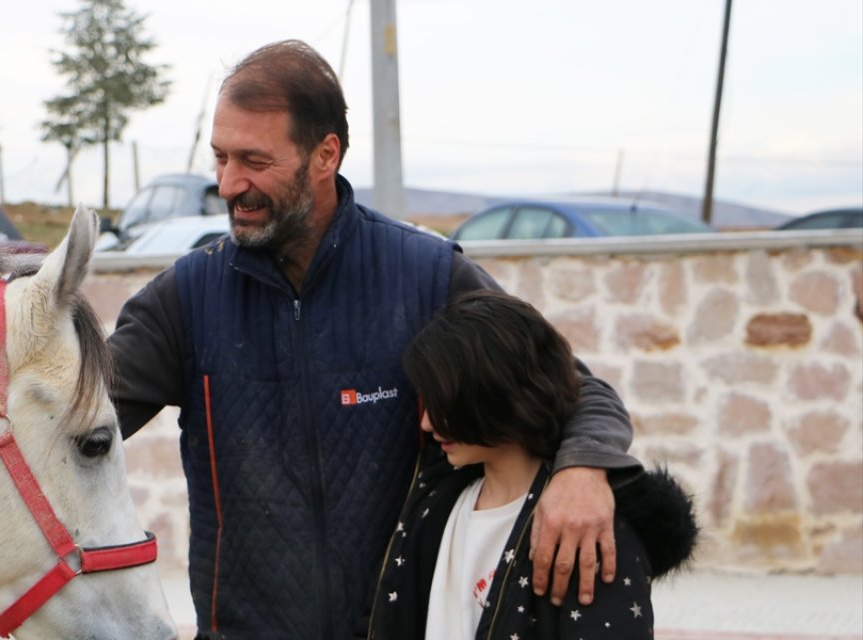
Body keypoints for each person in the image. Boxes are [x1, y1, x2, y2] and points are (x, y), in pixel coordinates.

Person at [108, 39, 642, 640]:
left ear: (325, 154)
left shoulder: (426, 275)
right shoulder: (186, 296)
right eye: (221, 158)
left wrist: (584, 470)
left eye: (255, 161)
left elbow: (575, 392)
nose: (230, 183)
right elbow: (68, 421)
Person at [364, 289, 698, 639]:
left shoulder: (586, 526)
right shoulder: (434, 502)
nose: (427, 424)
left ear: (493, 393)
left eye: (442, 403)